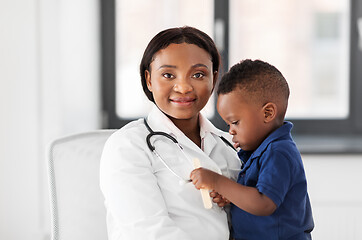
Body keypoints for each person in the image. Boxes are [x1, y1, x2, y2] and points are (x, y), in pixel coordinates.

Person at [99, 26, 242, 240]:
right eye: (168, 75)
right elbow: (148, 233)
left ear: (213, 80)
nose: (183, 87)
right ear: (149, 80)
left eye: (198, 74)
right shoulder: (128, 146)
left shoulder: (229, 146)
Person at [190, 59, 314, 240]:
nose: (231, 130)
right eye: (228, 124)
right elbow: (252, 196)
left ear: (267, 113)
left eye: (235, 122)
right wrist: (232, 197)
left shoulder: (279, 152)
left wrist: (217, 182)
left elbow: (263, 203)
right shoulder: (259, 152)